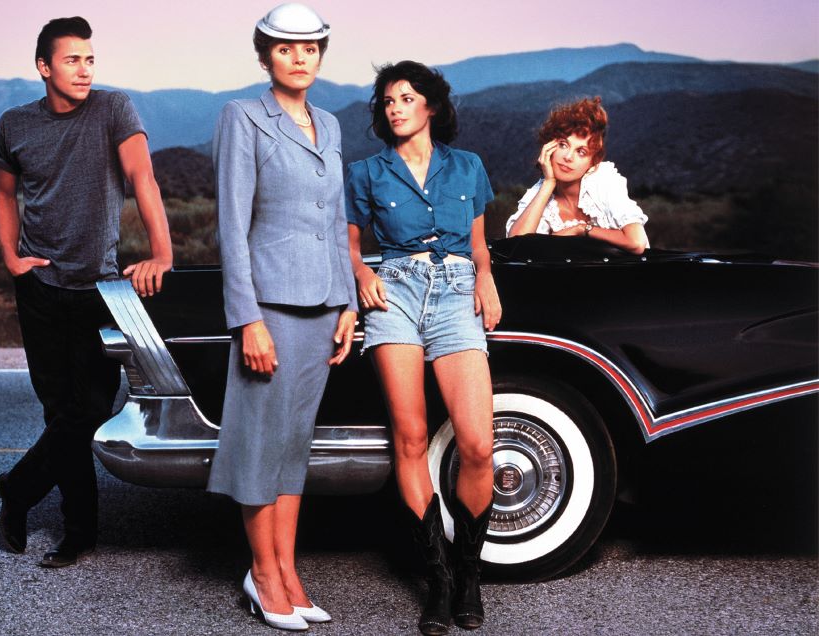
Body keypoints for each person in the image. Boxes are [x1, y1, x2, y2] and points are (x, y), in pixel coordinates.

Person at [0, 16, 172, 568]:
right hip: (41, 286)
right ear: (44, 67)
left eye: (89, 59)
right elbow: (4, 195)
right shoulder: (14, 124)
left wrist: (162, 253)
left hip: (100, 286)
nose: (85, 69)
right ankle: (80, 531)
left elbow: (143, 179)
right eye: (72, 60)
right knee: (58, 411)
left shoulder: (114, 109)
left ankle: (17, 491)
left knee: (90, 409)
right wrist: (11, 258)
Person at [205, 3, 358, 631]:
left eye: (311, 48)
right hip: (269, 306)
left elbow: (337, 216)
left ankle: (288, 571)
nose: (300, 58)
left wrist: (348, 301)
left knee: (295, 445)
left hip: (324, 304)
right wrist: (247, 320)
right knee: (259, 445)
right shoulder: (243, 117)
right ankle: (261, 573)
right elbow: (231, 226)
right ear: (266, 54)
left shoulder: (330, 123)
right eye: (287, 48)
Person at [346, 61, 501, 635]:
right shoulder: (366, 172)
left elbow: (480, 245)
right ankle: (436, 581)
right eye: (387, 101)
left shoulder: (469, 166)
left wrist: (486, 279)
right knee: (410, 438)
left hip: (459, 292)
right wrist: (361, 274)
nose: (394, 107)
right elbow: (351, 244)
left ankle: (469, 574)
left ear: (431, 106)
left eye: (406, 98)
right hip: (396, 295)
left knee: (478, 443)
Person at [506, 97, 649, 253]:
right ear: (549, 147)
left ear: (592, 161)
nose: (568, 157)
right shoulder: (540, 192)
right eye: (563, 145)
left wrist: (581, 229)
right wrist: (548, 183)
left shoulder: (603, 180)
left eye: (581, 152)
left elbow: (636, 243)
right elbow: (516, 246)